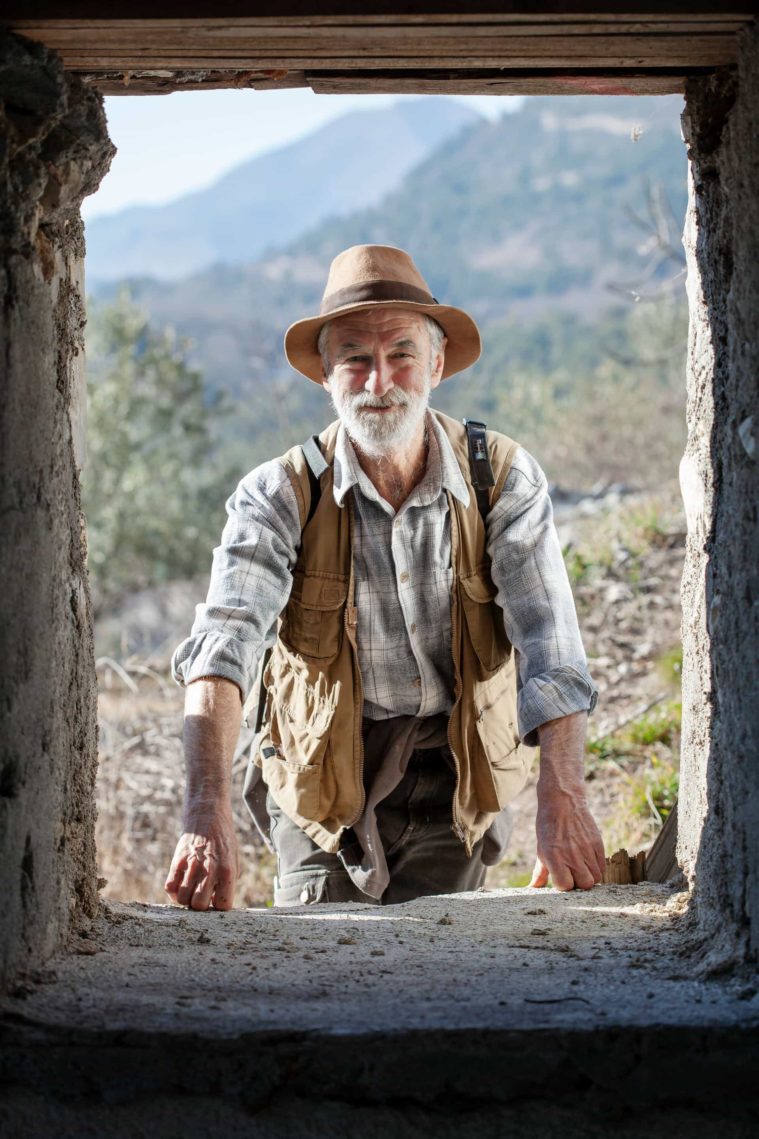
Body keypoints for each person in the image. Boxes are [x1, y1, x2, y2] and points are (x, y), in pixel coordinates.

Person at [165, 244, 605, 912]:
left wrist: (562, 794)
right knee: (320, 965)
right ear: (325, 375)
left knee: (436, 972)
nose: (379, 381)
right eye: (354, 358)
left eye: (400, 353)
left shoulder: (501, 479)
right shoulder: (280, 493)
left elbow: (551, 647)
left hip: (456, 771)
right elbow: (223, 648)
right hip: (318, 776)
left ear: (435, 365)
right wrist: (204, 812)